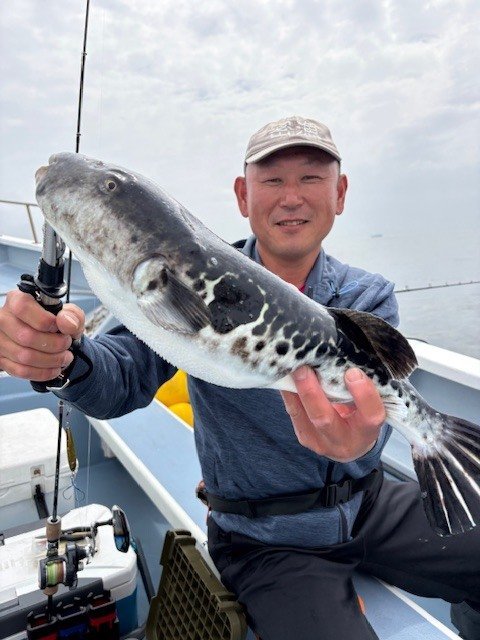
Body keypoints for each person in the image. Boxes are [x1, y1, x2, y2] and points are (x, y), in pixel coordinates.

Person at [0, 116, 479, 639]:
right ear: (243, 195)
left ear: (339, 193)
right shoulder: (171, 282)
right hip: (264, 538)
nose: (291, 197)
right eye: (272, 180)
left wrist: (362, 443)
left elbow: (375, 401)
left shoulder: (367, 294)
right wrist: (62, 359)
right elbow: (122, 376)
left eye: (311, 177)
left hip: (367, 503)